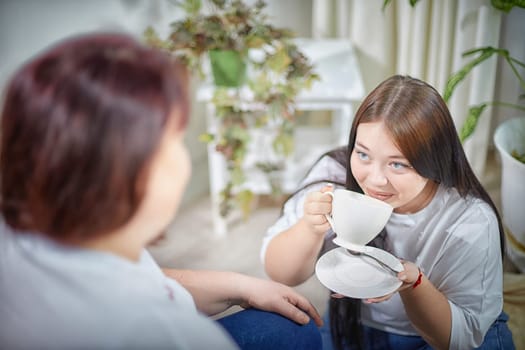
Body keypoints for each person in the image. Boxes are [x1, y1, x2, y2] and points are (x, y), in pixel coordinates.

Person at [0, 32, 323, 349]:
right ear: (133, 176)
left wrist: (240, 285)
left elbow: (142, 280)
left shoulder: (25, 235)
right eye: (176, 139)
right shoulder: (169, 333)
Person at [261, 75, 515, 350]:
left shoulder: (468, 220)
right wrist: (309, 229)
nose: (375, 180)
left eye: (398, 165)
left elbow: (458, 338)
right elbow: (281, 274)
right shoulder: (334, 177)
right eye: (363, 155)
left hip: (441, 331)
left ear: (432, 161)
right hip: (354, 327)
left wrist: (415, 284)